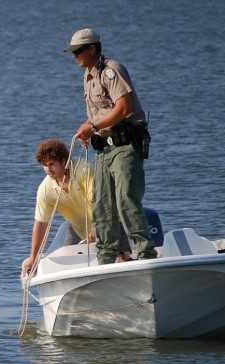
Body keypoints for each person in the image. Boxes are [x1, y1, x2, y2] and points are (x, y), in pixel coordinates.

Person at [66, 28, 157, 265]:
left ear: (93, 48)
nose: (75, 55)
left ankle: (146, 253)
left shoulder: (111, 70)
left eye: (78, 51)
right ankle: (106, 257)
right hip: (103, 150)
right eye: (72, 52)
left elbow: (123, 108)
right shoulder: (88, 76)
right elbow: (100, 112)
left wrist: (93, 127)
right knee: (101, 203)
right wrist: (86, 128)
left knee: (126, 198)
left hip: (125, 146)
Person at [22, 139, 131, 276]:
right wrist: (33, 257)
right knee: (63, 267)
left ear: (64, 161)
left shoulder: (84, 171)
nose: (48, 170)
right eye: (44, 165)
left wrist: (95, 227)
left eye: (51, 164)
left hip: (109, 223)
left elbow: (101, 202)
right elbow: (41, 223)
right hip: (78, 229)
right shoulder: (46, 188)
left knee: (123, 258)